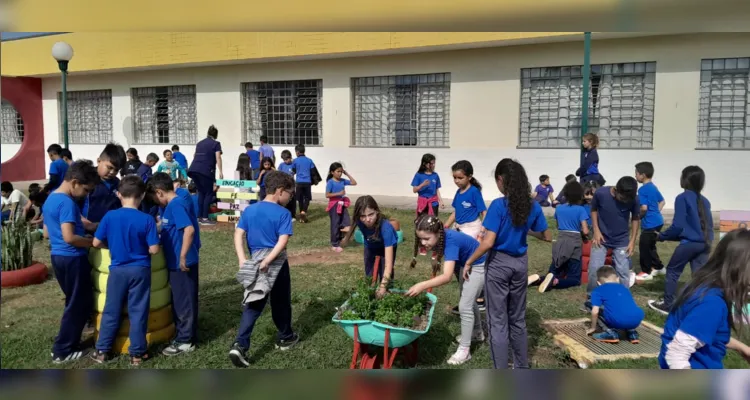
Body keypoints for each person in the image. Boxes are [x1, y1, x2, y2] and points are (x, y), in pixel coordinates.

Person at [463, 158, 550, 369]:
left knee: (498, 322)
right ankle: (521, 368)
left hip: (499, 266)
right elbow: (546, 236)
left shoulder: (499, 205)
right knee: (517, 320)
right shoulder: (533, 206)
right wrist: (524, 228)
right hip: (520, 265)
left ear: (501, 180)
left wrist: (469, 261)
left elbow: (488, 242)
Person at [229, 171, 299, 368]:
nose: (290, 198)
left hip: (255, 261)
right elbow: (282, 240)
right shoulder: (284, 213)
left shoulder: (250, 210)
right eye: (290, 194)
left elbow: (238, 234)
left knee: (253, 302)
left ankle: (240, 344)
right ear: (279, 191)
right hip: (275, 262)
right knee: (281, 301)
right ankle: (285, 336)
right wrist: (269, 260)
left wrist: (242, 259)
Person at [90, 176, 160, 366]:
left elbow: (96, 243)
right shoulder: (147, 220)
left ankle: (102, 350)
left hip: (118, 270)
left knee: (111, 310)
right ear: (143, 195)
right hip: (140, 270)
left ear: (119, 194)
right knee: (138, 311)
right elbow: (154, 249)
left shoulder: (109, 216)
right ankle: (137, 354)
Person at [658, 229, 750, 369]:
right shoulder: (712, 303)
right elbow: (676, 354)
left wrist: (742, 348)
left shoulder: (703, 285)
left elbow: (702, 333)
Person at [405, 215, 487, 365]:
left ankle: (465, 350)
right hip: (465, 264)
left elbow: (446, 276)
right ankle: (477, 333)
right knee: (467, 301)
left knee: (465, 306)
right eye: (420, 239)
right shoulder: (442, 238)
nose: (423, 243)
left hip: (478, 264)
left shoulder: (451, 241)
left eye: (427, 239)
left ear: (438, 233)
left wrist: (421, 285)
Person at [43, 160, 100, 363]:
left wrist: (85, 228)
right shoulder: (67, 202)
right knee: (79, 303)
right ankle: (63, 350)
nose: (86, 194)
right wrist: (91, 243)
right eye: (85, 190)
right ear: (74, 182)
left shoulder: (51, 198)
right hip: (72, 257)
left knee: (73, 301)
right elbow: (69, 237)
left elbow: (47, 233)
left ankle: (70, 343)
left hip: (58, 257)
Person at [649, 166, 714, 316]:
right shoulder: (705, 201)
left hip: (689, 244)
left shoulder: (682, 198)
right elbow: (705, 226)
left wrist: (661, 236)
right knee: (699, 276)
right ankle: (699, 305)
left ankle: (668, 304)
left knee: (672, 271)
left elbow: (678, 226)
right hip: (705, 244)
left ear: (685, 179)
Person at [148, 172, 201, 356]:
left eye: (154, 197)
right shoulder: (171, 206)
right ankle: (183, 335)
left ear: (160, 192)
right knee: (179, 300)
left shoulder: (176, 203)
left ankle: (186, 341)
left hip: (183, 263)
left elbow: (189, 229)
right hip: (176, 262)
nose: (156, 202)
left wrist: (183, 256)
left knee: (184, 301)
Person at [442, 160, 487, 313]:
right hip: (459, 229)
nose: (456, 181)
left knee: (471, 265)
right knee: (457, 265)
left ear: (469, 177)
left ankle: (479, 299)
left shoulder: (474, 192)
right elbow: (455, 212)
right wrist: (445, 226)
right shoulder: (458, 192)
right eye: (454, 178)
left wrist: (481, 234)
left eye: (460, 178)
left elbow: (484, 213)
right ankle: (466, 298)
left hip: (472, 230)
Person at [529, 181, 589, 293]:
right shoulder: (581, 210)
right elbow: (585, 230)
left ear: (565, 194)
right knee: (574, 279)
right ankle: (555, 283)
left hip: (560, 241)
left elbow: (557, 226)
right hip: (574, 243)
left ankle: (538, 279)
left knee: (553, 271)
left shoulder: (559, 208)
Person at [587, 176, 640, 293]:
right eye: (623, 198)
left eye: (628, 199)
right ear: (616, 190)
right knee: (594, 269)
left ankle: (623, 299)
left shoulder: (634, 199)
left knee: (623, 271)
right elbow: (593, 210)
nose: (625, 201)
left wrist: (632, 241)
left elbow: (635, 218)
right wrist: (596, 230)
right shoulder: (601, 193)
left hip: (621, 240)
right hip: (601, 238)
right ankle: (591, 299)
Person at [342, 196, 398, 298]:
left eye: (371, 214)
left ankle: (386, 295)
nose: (367, 219)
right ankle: (370, 295)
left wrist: (382, 288)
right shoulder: (360, 221)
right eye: (363, 216)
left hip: (387, 247)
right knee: (369, 274)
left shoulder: (386, 228)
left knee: (385, 279)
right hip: (371, 246)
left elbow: (388, 264)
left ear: (376, 211)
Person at [586, 266, 645, 344]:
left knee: (588, 304)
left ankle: (610, 333)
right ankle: (632, 333)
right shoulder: (624, 288)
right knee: (625, 309)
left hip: (618, 320)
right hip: (637, 319)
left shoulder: (598, 290)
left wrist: (593, 328)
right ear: (617, 279)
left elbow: (595, 311)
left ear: (598, 283)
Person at [81, 143, 127, 230]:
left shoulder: (118, 184)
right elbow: (73, 207)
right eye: (109, 167)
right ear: (99, 161)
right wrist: (86, 224)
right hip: (88, 230)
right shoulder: (86, 180)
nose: (112, 172)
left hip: (110, 229)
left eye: (116, 170)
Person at [634, 161, 666, 281]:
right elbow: (662, 201)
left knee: (644, 247)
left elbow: (644, 208)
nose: (635, 176)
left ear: (643, 175)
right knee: (650, 246)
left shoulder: (642, 190)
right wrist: (656, 212)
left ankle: (646, 272)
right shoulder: (653, 187)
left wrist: (638, 217)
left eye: (636, 173)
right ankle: (659, 267)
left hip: (650, 224)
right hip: (658, 221)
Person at [189, 125, 223, 226]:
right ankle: (205, 218)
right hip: (206, 171)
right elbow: (218, 157)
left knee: (201, 193)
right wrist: (221, 171)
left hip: (194, 170)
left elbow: (194, 156)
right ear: (216, 135)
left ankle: (199, 217)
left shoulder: (199, 143)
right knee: (208, 192)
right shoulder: (216, 144)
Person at [325, 162, 357, 252]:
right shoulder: (330, 182)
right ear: (332, 172)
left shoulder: (342, 180)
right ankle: (334, 243)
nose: (339, 173)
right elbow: (327, 195)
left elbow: (354, 183)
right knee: (335, 224)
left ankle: (340, 239)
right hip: (334, 205)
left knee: (346, 223)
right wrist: (339, 193)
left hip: (342, 204)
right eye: (337, 171)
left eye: (341, 171)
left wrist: (346, 173)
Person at [291, 144, 317, 223]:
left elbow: (293, 171)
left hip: (299, 182)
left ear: (297, 152)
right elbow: (313, 172)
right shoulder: (309, 160)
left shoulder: (295, 160)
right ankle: (304, 211)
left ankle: (301, 214)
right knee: (307, 198)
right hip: (307, 182)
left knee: (300, 198)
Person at [277, 150, 296, 218]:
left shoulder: (293, 164)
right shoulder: (281, 165)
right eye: (284, 159)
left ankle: (293, 215)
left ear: (290, 157)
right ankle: (284, 214)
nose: (286, 161)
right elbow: (278, 174)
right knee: (284, 200)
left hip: (291, 185)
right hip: (284, 186)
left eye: (287, 159)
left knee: (292, 201)